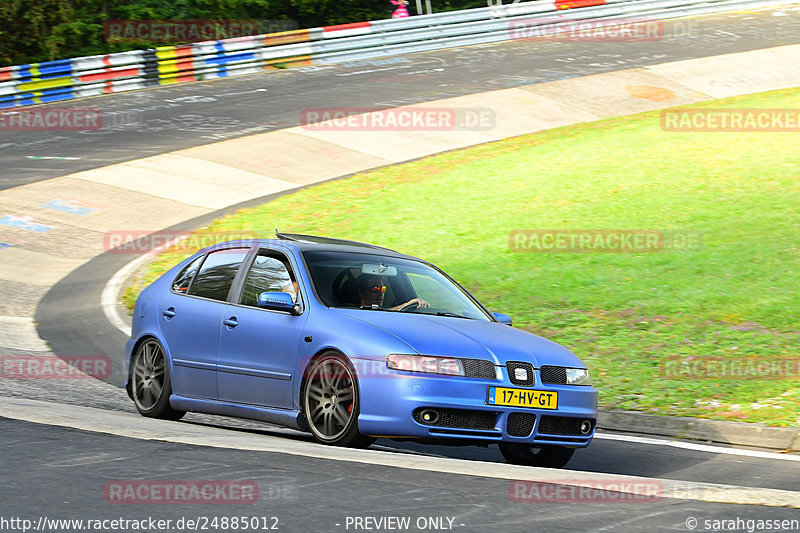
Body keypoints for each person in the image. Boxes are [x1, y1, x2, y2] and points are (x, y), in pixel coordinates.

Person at [357, 275, 429, 310]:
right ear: (361, 292)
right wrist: (406, 305)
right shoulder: (351, 311)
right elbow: (381, 313)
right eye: (375, 289)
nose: (380, 293)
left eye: (383, 289)